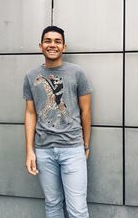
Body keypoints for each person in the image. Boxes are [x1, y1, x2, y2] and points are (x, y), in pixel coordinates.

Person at [23, 25, 92, 218]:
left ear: (64, 46)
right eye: (48, 41)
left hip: (72, 148)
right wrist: (30, 150)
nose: (52, 45)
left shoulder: (77, 73)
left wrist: (85, 144)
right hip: (43, 150)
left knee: (77, 209)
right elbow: (30, 113)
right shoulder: (31, 76)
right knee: (52, 204)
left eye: (57, 41)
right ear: (40, 46)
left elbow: (86, 111)